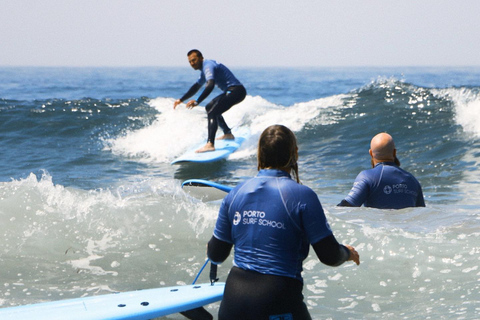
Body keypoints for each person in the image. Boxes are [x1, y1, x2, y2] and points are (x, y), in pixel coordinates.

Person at [207, 124, 360, 320]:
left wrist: (210, 247)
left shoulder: (235, 193)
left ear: (259, 154)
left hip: (233, 302)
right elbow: (329, 255)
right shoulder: (302, 195)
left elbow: (216, 255)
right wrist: (347, 253)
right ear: (294, 153)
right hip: (277, 300)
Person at [173, 49, 247, 153]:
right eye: (190, 61)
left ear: (201, 58)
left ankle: (210, 144)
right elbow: (196, 86)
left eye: (194, 60)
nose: (192, 63)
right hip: (233, 91)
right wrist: (181, 100)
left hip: (236, 91)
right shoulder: (204, 70)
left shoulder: (208, 66)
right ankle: (228, 133)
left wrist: (197, 101)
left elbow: (210, 85)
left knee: (213, 112)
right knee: (209, 107)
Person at [338, 132, 426, 209]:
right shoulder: (413, 181)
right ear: (394, 152)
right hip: (406, 227)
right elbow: (421, 214)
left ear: (371, 153)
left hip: (379, 227)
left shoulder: (367, 177)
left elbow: (347, 206)